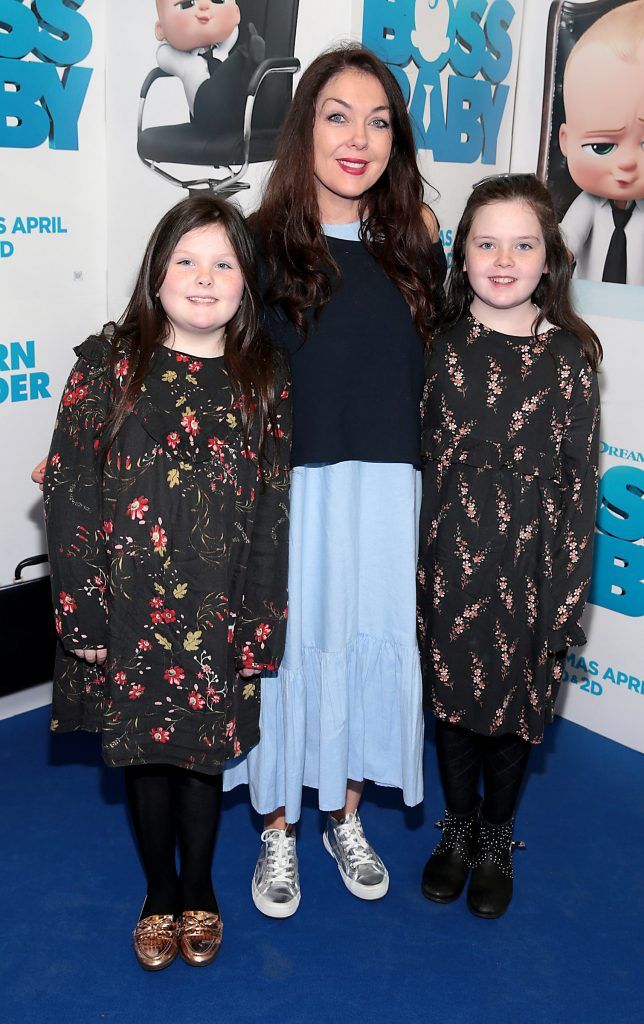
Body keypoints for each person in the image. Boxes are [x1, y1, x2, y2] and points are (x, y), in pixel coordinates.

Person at [222, 43, 446, 918]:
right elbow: (180, 336)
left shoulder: (416, 245)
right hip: (291, 494)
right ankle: (277, 830)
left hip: (389, 490)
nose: (359, 138)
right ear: (303, 127)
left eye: (380, 120)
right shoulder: (257, 241)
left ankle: (342, 815)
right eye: (338, 115)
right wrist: (95, 425)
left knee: (362, 645)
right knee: (286, 656)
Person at [43, 195, 291, 969]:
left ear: (247, 284)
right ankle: (158, 893)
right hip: (127, 613)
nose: (205, 277)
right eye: (186, 259)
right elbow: (71, 492)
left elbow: (272, 508)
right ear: (156, 276)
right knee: (148, 757)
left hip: (220, 610)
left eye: (224, 262)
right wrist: (81, 617)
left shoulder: (265, 378)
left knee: (203, 757)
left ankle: (201, 891)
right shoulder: (108, 363)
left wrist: (260, 623)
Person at [417, 173, 601, 918]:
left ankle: (496, 837)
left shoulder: (569, 359)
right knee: (455, 712)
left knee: (513, 714)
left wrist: (564, 603)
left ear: (548, 258)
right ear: (461, 257)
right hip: (447, 562)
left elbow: (580, 486)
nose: (502, 259)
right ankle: (457, 829)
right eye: (485, 243)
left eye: (521, 244)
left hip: (532, 570)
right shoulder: (437, 347)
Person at [558, 0, 644, 285]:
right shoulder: (589, 204)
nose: (628, 163)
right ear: (566, 142)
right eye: (602, 146)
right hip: (587, 310)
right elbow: (566, 241)